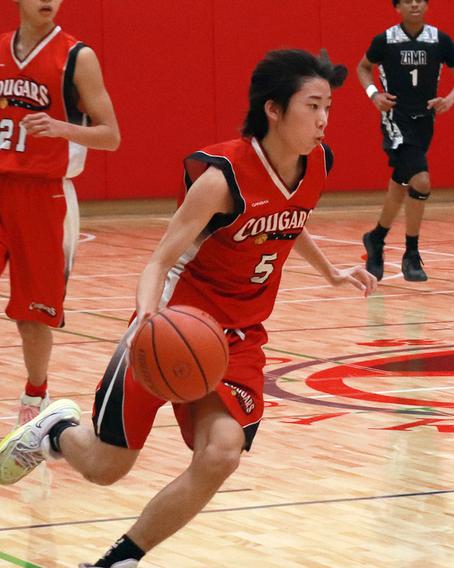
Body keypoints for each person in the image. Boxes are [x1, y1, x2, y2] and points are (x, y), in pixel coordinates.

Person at [0, 49, 377, 568]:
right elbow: (159, 260)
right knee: (109, 467)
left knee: (221, 453)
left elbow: (290, 214)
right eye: (313, 106)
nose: (323, 120)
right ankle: (56, 431)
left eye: (328, 107)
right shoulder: (221, 179)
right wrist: (147, 319)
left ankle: (121, 561)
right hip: (175, 323)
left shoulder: (317, 164)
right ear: (273, 109)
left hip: (240, 337)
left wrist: (330, 270)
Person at [1, 0, 120, 425]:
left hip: (45, 195)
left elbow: (111, 136)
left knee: (32, 314)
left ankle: (35, 399)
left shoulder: (77, 57)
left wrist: (62, 128)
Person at [358, 0, 454, 282]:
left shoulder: (439, 40)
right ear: (397, 7)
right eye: (408, 1)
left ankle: (376, 238)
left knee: (400, 184)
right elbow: (362, 68)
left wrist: (449, 100)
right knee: (421, 181)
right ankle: (411, 252)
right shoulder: (385, 40)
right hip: (396, 119)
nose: (415, 5)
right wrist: (374, 94)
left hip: (425, 122)